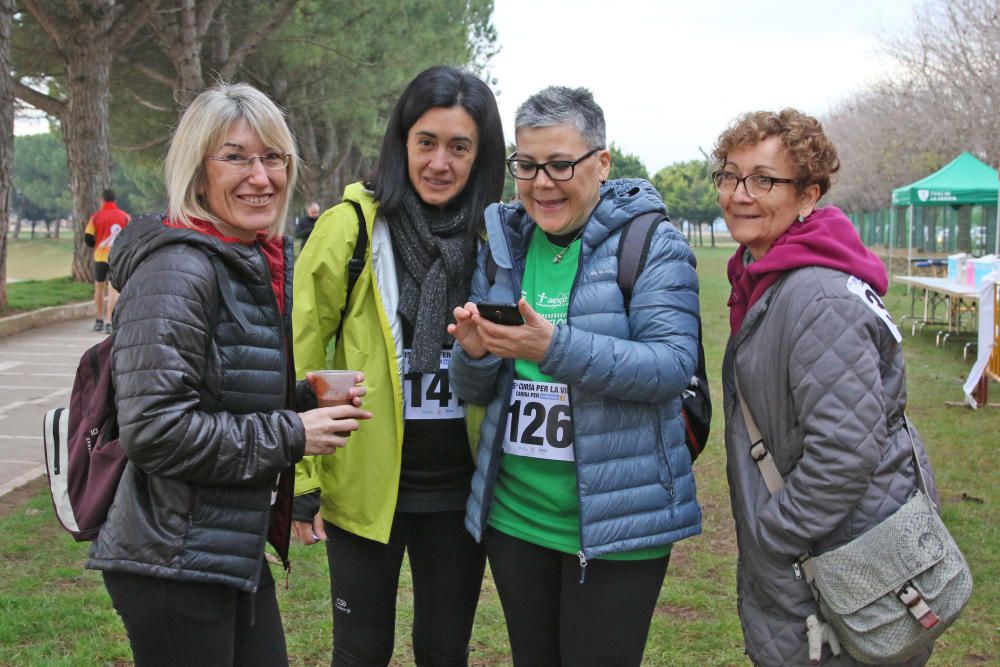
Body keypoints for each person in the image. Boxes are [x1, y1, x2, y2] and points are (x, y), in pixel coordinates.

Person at [86, 82, 371, 667]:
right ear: (197, 174)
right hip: (173, 559)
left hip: (221, 549)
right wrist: (295, 432)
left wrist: (298, 396)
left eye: (273, 157)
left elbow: (214, 390)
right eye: (236, 157)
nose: (260, 176)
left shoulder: (248, 258)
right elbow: (157, 430)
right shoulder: (180, 270)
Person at [448, 86, 702, 667]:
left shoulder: (651, 243)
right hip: (516, 518)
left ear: (602, 163)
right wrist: (477, 353)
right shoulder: (506, 243)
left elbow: (670, 367)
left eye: (561, 164)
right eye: (527, 165)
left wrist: (554, 346)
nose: (542, 183)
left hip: (617, 524)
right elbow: (474, 389)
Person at [292, 65, 505, 666]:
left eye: (459, 147)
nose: (441, 163)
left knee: (445, 652)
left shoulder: (497, 240)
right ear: (402, 142)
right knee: (361, 652)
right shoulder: (349, 228)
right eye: (427, 143)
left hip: (460, 494)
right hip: (364, 490)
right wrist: (303, 480)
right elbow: (303, 355)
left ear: (480, 155)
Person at [713, 109, 939, 666]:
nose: (740, 194)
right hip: (823, 556)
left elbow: (844, 452)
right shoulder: (770, 278)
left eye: (763, 180)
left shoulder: (817, 297)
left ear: (808, 195)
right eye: (729, 175)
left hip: (842, 560)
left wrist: (772, 536)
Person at [85, 188, 131, 334]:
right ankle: (109, 323)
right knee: (113, 290)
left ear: (102, 200)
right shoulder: (125, 217)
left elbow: (88, 238)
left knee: (99, 287)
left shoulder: (95, 217)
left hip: (100, 257)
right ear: (115, 201)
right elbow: (131, 236)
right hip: (117, 258)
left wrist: (96, 244)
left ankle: (98, 319)